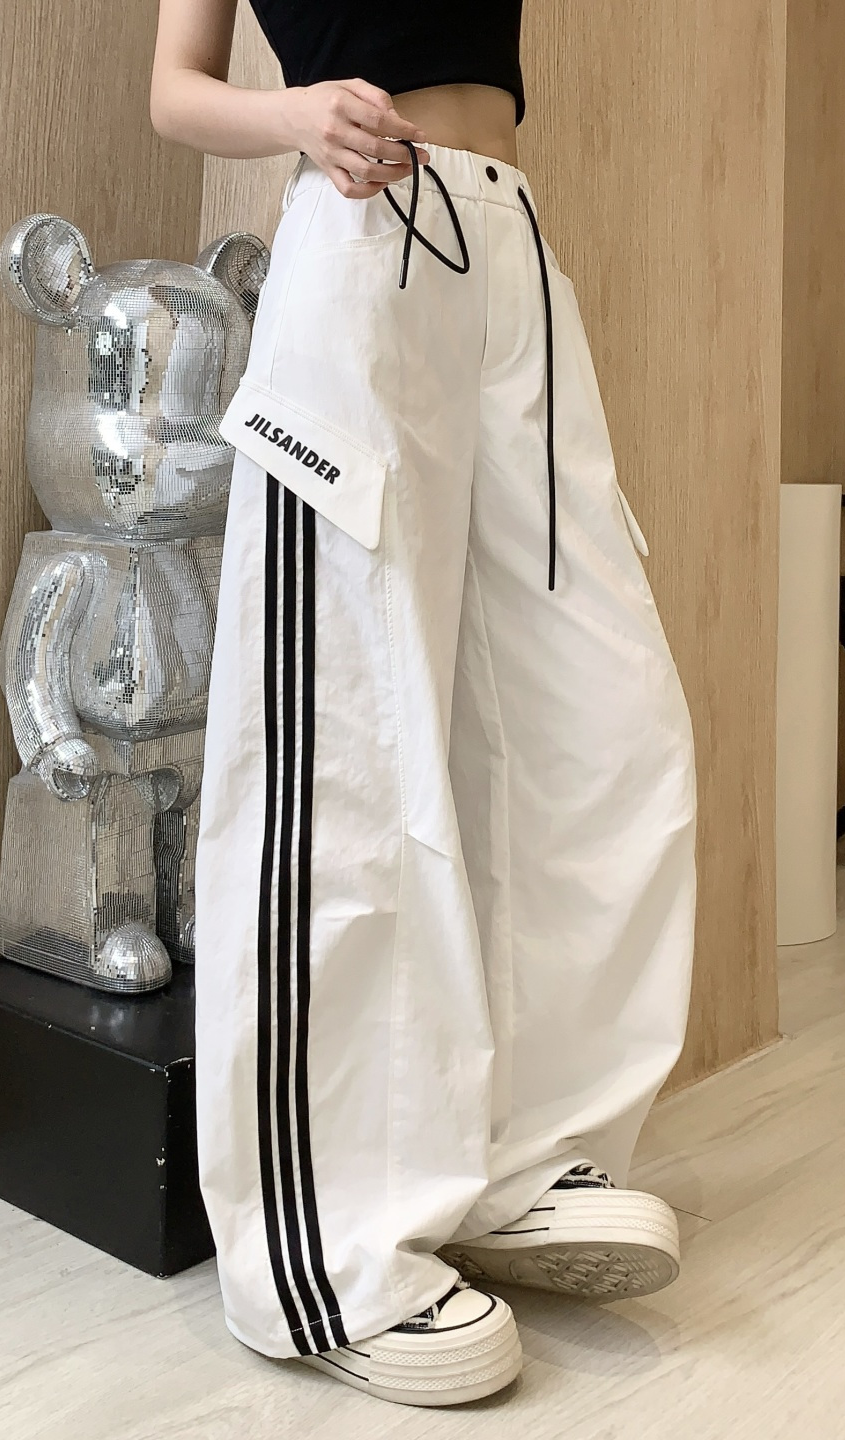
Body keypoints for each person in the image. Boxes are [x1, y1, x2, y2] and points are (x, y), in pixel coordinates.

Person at [150, 0, 698, 1409]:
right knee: (344, 751)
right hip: (358, 242)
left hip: (509, 250)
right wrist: (296, 115)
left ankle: (525, 1151)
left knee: (594, 717)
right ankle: (326, 1253)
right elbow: (175, 88)